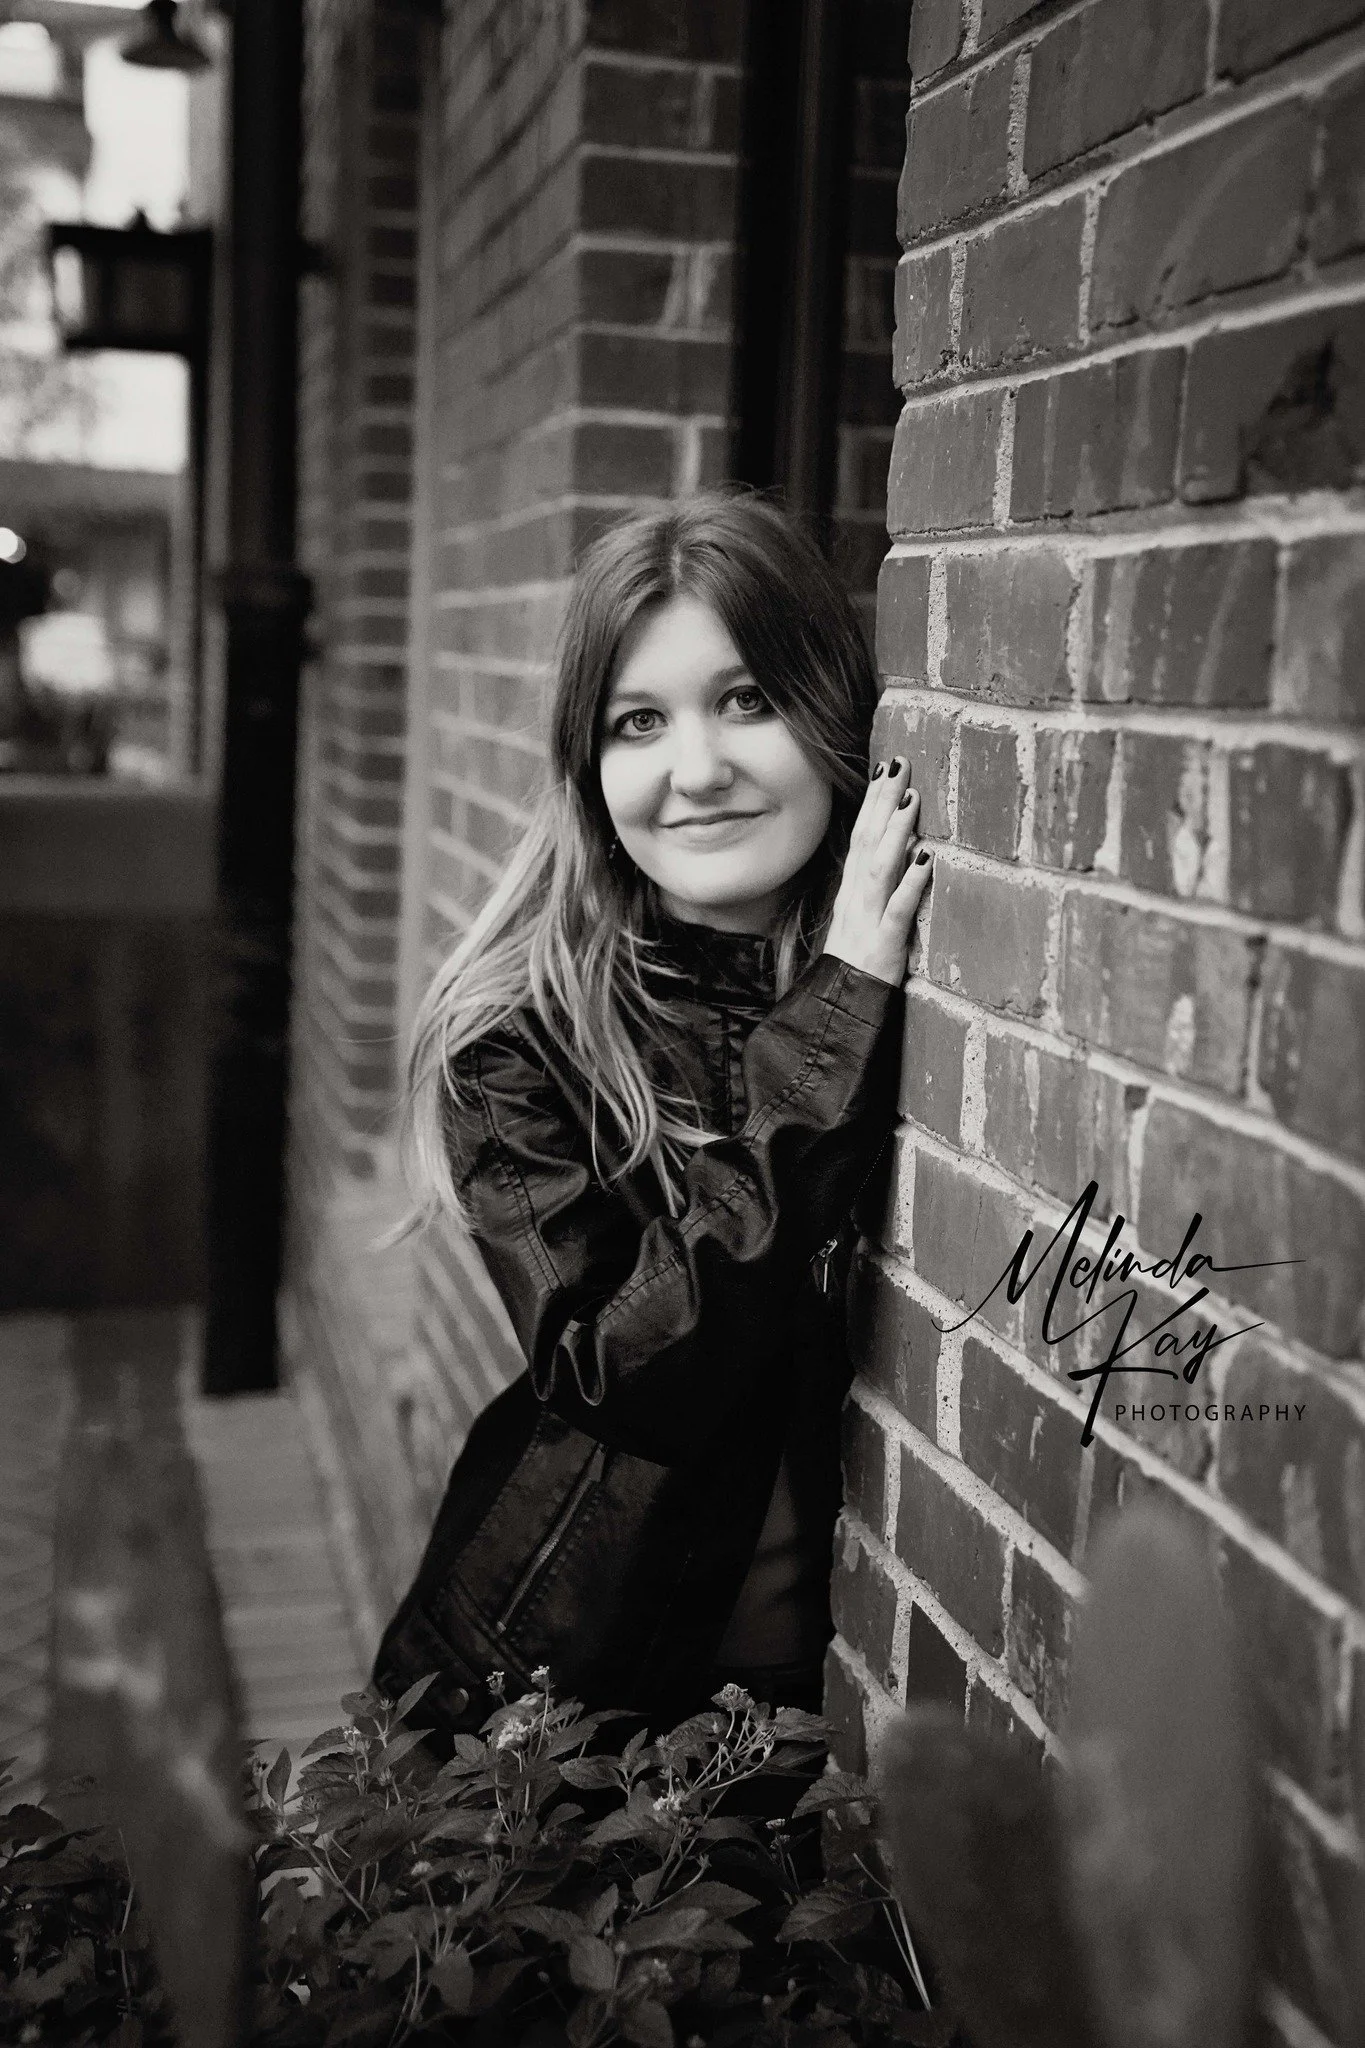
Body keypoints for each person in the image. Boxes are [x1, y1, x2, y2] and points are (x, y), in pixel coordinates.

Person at [374, 489, 933, 1752]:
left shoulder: (914, 996)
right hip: (564, 1721)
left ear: (833, 717)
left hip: (823, 1721)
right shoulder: (516, 1043)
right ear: (590, 766)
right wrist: (841, 1013)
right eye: (639, 721)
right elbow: (622, 1368)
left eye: (746, 700)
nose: (696, 769)